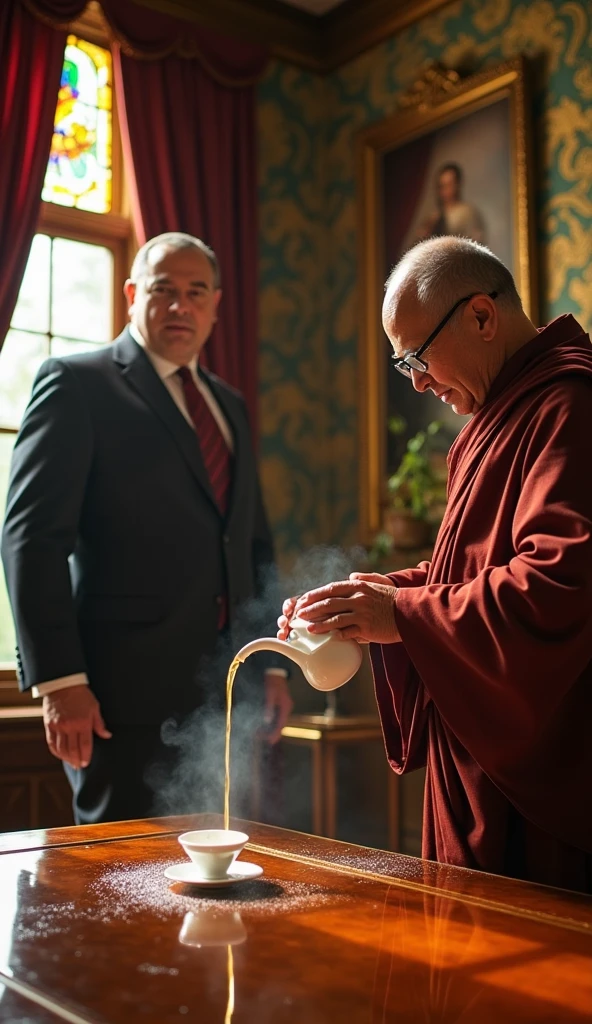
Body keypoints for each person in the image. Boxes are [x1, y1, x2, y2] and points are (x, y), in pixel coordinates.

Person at [279, 235, 592, 893]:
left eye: (417, 356)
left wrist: (405, 614)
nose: (417, 381)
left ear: (482, 316)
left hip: (542, 782)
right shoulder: (503, 411)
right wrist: (375, 595)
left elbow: (561, 584)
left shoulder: (570, 404)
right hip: (482, 763)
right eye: (404, 366)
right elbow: (474, 570)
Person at [2, 231, 293, 825]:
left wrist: (272, 663)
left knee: (217, 884)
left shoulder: (228, 404)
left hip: (227, 696)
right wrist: (60, 680)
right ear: (133, 294)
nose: (180, 306)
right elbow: (31, 538)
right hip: (118, 703)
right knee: (120, 890)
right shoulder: (76, 384)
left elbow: (252, 544)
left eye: (196, 292)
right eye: (164, 290)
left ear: (215, 305)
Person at [415, 163, 485, 244]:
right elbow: (420, 241)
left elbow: (476, 242)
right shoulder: (434, 215)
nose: (445, 191)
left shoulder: (468, 213)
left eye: (449, 185)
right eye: (442, 186)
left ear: (457, 185)